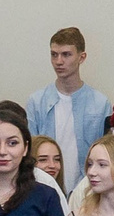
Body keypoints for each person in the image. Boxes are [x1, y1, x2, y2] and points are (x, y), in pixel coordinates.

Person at [24, 25, 106, 188]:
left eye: (66, 55)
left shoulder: (100, 103)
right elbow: (31, 153)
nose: (58, 61)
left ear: (81, 57)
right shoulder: (36, 101)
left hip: (87, 187)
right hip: (43, 186)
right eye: (54, 55)